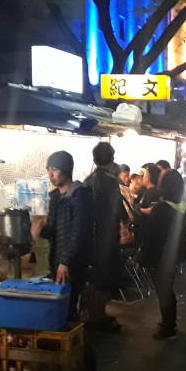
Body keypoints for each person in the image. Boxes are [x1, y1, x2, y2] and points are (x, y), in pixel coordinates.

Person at [32, 151, 95, 322]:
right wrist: (41, 229)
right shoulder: (55, 197)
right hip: (58, 261)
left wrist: (65, 261)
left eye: (54, 170)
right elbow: (54, 231)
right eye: (48, 170)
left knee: (70, 307)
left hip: (74, 263)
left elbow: (80, 232)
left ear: (66, 171)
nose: (50, 175)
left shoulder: (80, 195)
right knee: (60, 306)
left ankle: (77, 345)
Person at [138, 170, 186, 340]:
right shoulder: (184, 207)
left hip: (159, 257)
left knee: (164, 292)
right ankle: (169, 323)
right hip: (174, 256)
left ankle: (168, 327)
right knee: (167, 290)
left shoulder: (161, 209)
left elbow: (151, 236)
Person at [83, 142, 124, 332]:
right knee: (106, 279)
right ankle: (99, 317)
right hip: (107, 237)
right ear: (112, 159)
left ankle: (94, 314)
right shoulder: (110, 181)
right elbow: (118, 210)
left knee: (94, 278)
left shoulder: (88, 180)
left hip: (90, 237)